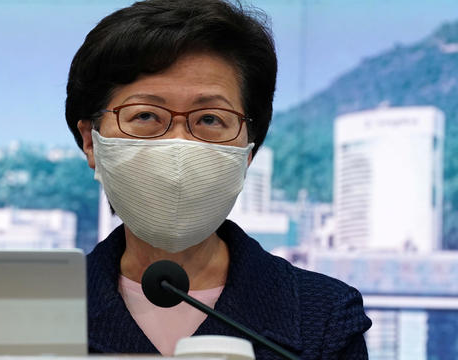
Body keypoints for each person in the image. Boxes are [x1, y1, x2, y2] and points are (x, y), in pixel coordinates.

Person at [65, 0, 372, 358]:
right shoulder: (36, 309)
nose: (178, 144)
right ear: (91, 141)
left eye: (210, 119)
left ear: (248, 152)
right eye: (146, 115)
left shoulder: (323, 318)